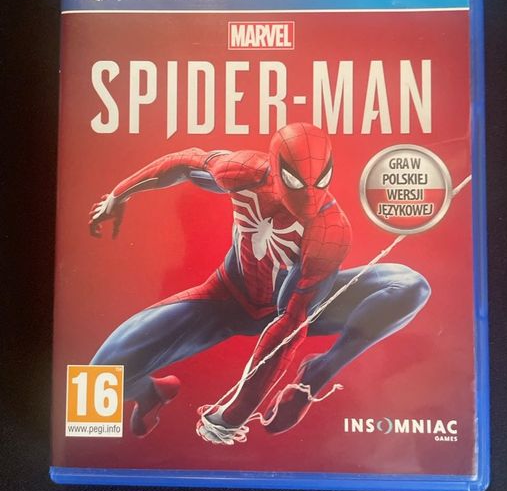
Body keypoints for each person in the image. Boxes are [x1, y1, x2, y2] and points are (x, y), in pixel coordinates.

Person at [89, 123, 430, 444]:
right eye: (296, 182)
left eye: (320, 181)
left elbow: (290, 324)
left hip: (295, 307)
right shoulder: (243, 171)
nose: (309, 198)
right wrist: (119, 195)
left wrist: (236, 412)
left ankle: (317, 373)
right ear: (276, 169)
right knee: (95, 382)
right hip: (225, 298)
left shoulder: (329, 231)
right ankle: (151, 393)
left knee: (410, 286)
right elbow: (184, 163)